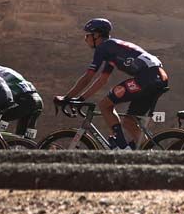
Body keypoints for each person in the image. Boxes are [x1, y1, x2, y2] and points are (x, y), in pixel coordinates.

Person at [55, 17, 168, 148]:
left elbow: (88, 77)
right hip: (159, 78)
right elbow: (102, 80)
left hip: (146, 77)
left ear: (96, 35)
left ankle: (122, 148)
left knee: (104, 105)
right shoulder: (112, 49)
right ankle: (148, 152)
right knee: (129, 122)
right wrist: (81, 99)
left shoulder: (103, 47)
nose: (85, 38)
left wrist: (67, 98)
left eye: (88, 35)